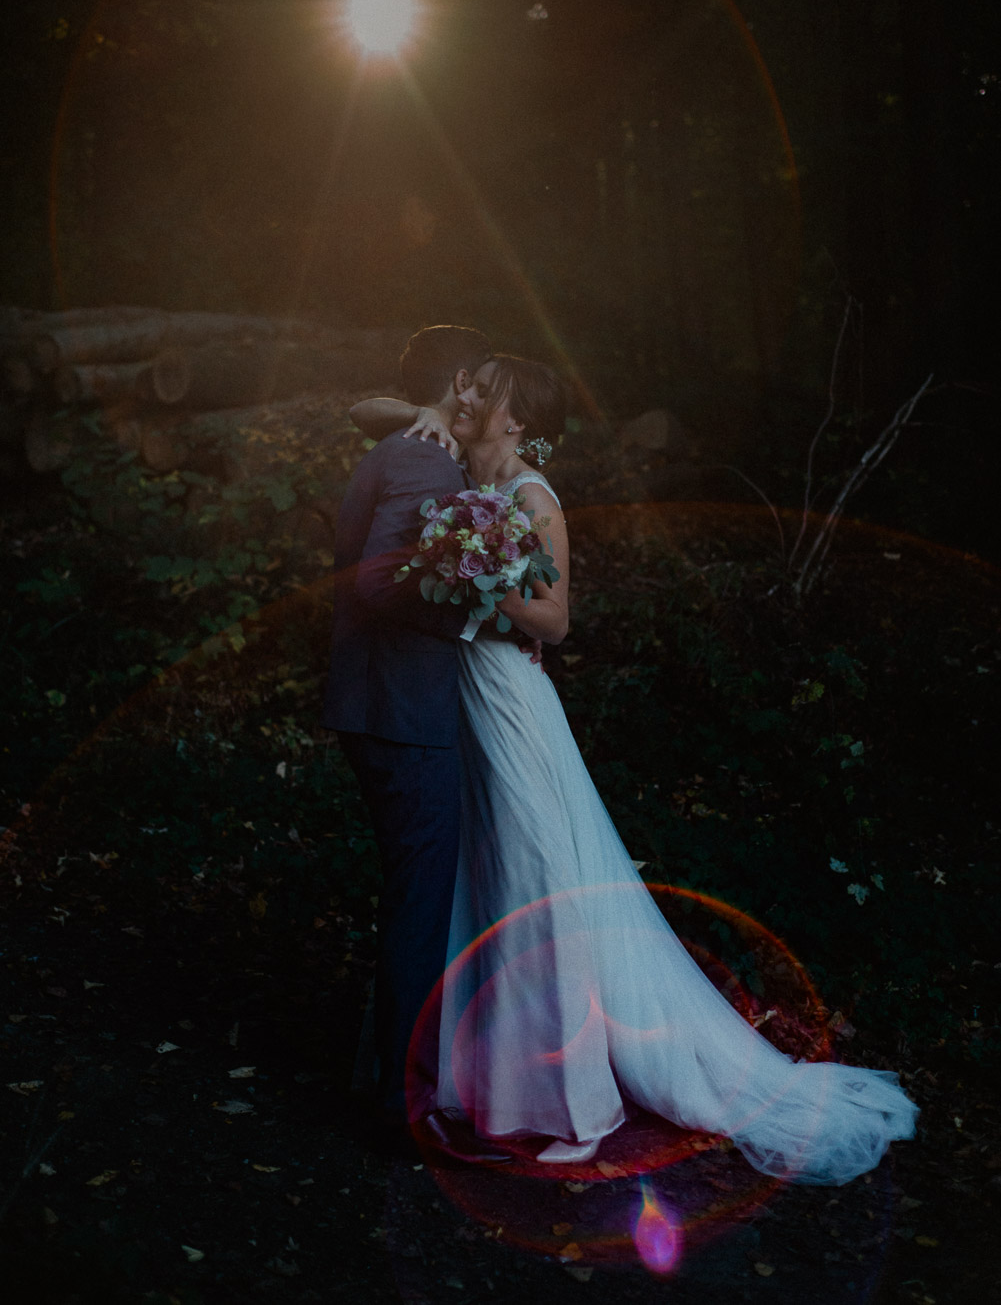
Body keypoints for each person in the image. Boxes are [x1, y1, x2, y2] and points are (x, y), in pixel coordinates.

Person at [351, 353, 919, 1183]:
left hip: (508, 702)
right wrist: (426, 409)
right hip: (456, 709)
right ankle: (482, 1081)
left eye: (484, 392)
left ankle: (566, 1097)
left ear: (516, 418)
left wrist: (475, 579)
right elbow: (366, 407)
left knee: (535, 876)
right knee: (479, 878)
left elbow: (554, 621)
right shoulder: (440, 457)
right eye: (462, 388)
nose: (466, 397)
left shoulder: (530, 497)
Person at [323, 324, 517, 1163]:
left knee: (414, 900)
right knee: (419, 908)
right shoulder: (421, 461)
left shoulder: (408, 446)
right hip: (400, 712)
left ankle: (384, 1082)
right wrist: (471, 613)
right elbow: (372, 576)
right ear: (466, 380)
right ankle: (407, 1111)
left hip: (384, 704)